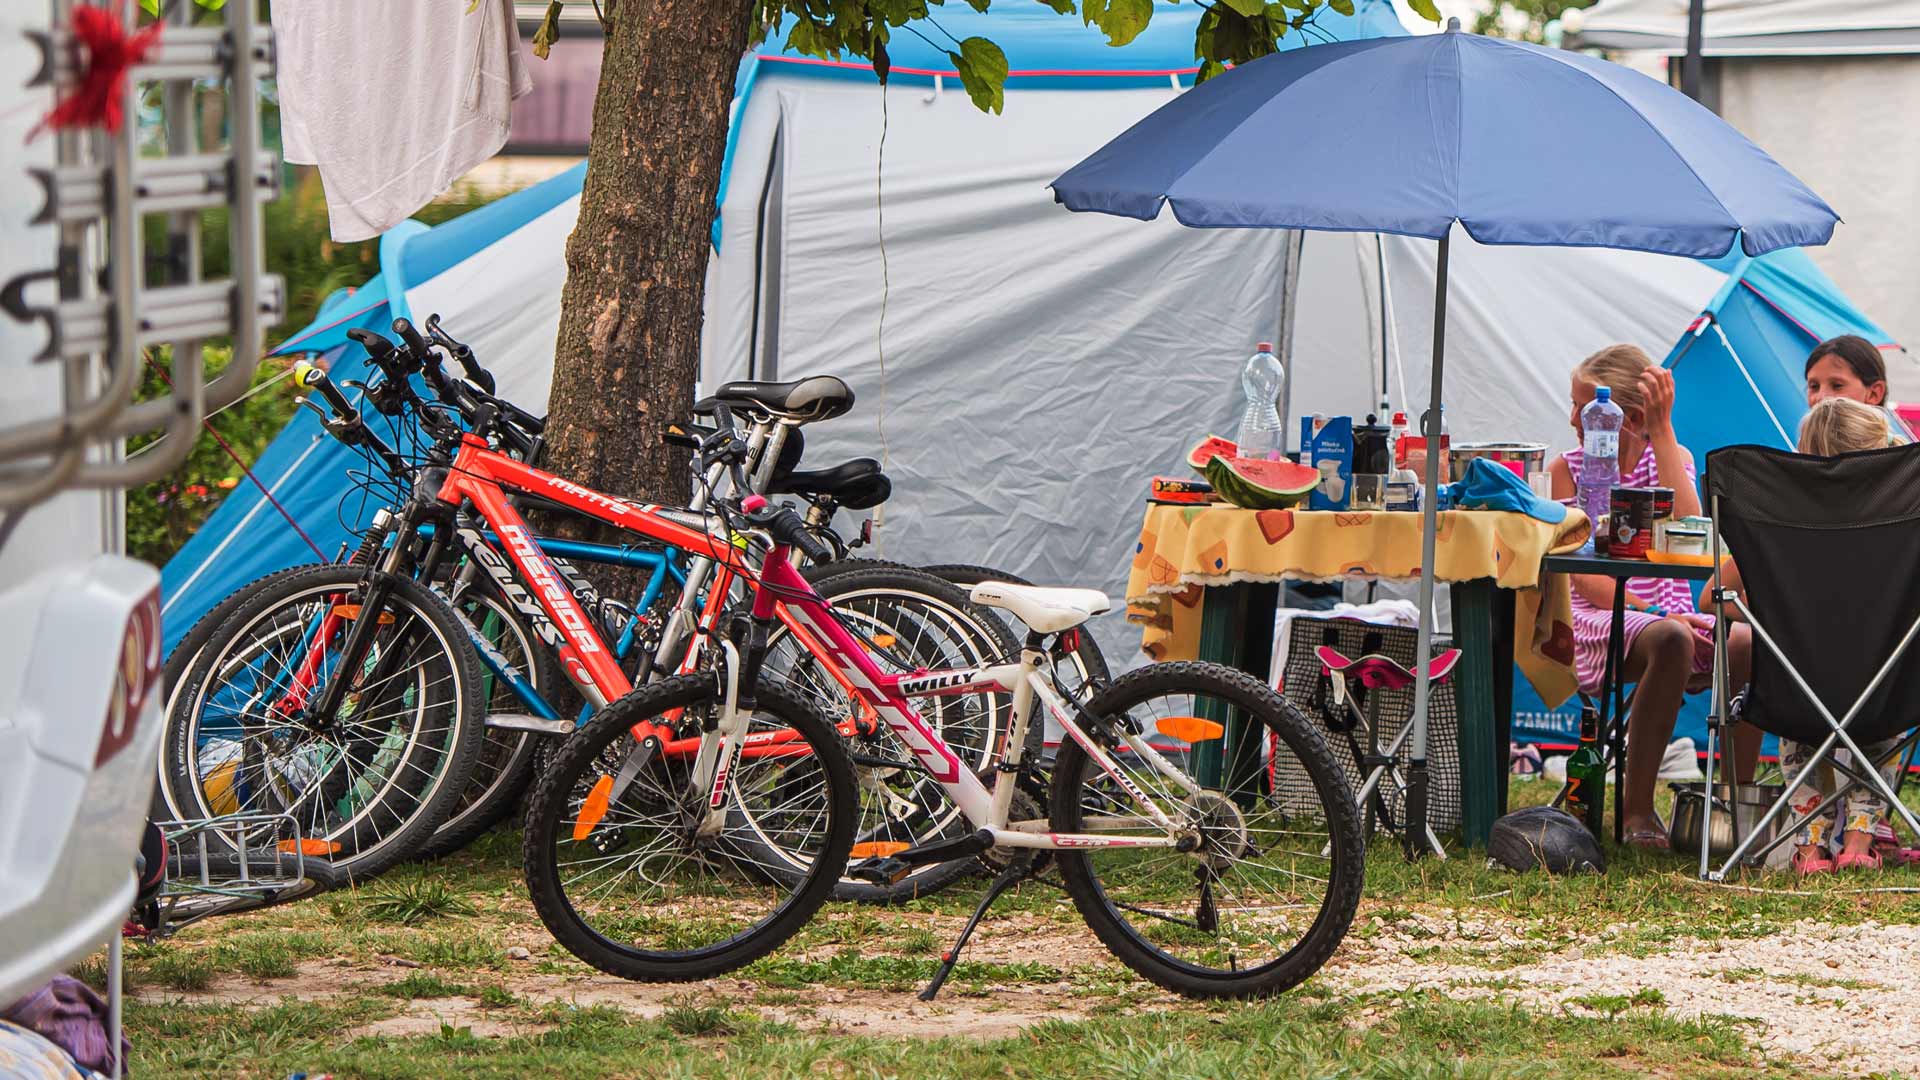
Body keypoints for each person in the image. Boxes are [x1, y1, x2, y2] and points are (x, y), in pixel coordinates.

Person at [1548, 344, 1756, 848]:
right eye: (1576, 405)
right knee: (1670, 639)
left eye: (1585, 407)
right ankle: (1636, 810)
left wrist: (1662, 432)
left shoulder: (1667, 457)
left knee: (1747, 641)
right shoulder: (1568, 469)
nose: (1575, 417)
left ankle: (1736, 806)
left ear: (1631, 417)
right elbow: (1584, 579)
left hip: (1669, 614)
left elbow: (1695, 535)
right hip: (1593, 616)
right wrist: (1659, 613)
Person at [1704, 398, 1909, 874]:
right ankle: (1859, 843)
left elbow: (1713, 597)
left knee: (1800, 723)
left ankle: (1810, 848)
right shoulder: (1903, 526)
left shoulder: (1777, 523)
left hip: (1797, 688)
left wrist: (1780, 612)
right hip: (1885, 690)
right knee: (1882, 721)